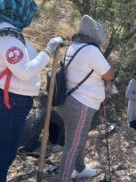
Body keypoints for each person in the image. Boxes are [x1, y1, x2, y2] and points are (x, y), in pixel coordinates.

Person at [0, 0, 63, 182]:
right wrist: (48, 51)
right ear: (17, 8)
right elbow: (25, 71)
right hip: (7, 107)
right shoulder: (7, 36)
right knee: (0, 163)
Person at [56, 15, 115, 182]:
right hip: (81, 104)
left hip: (68, 101)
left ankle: (80, 168)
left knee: (76, 139)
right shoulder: (91, 50)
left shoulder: (73, 47)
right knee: (72, 146)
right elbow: (109, 74)